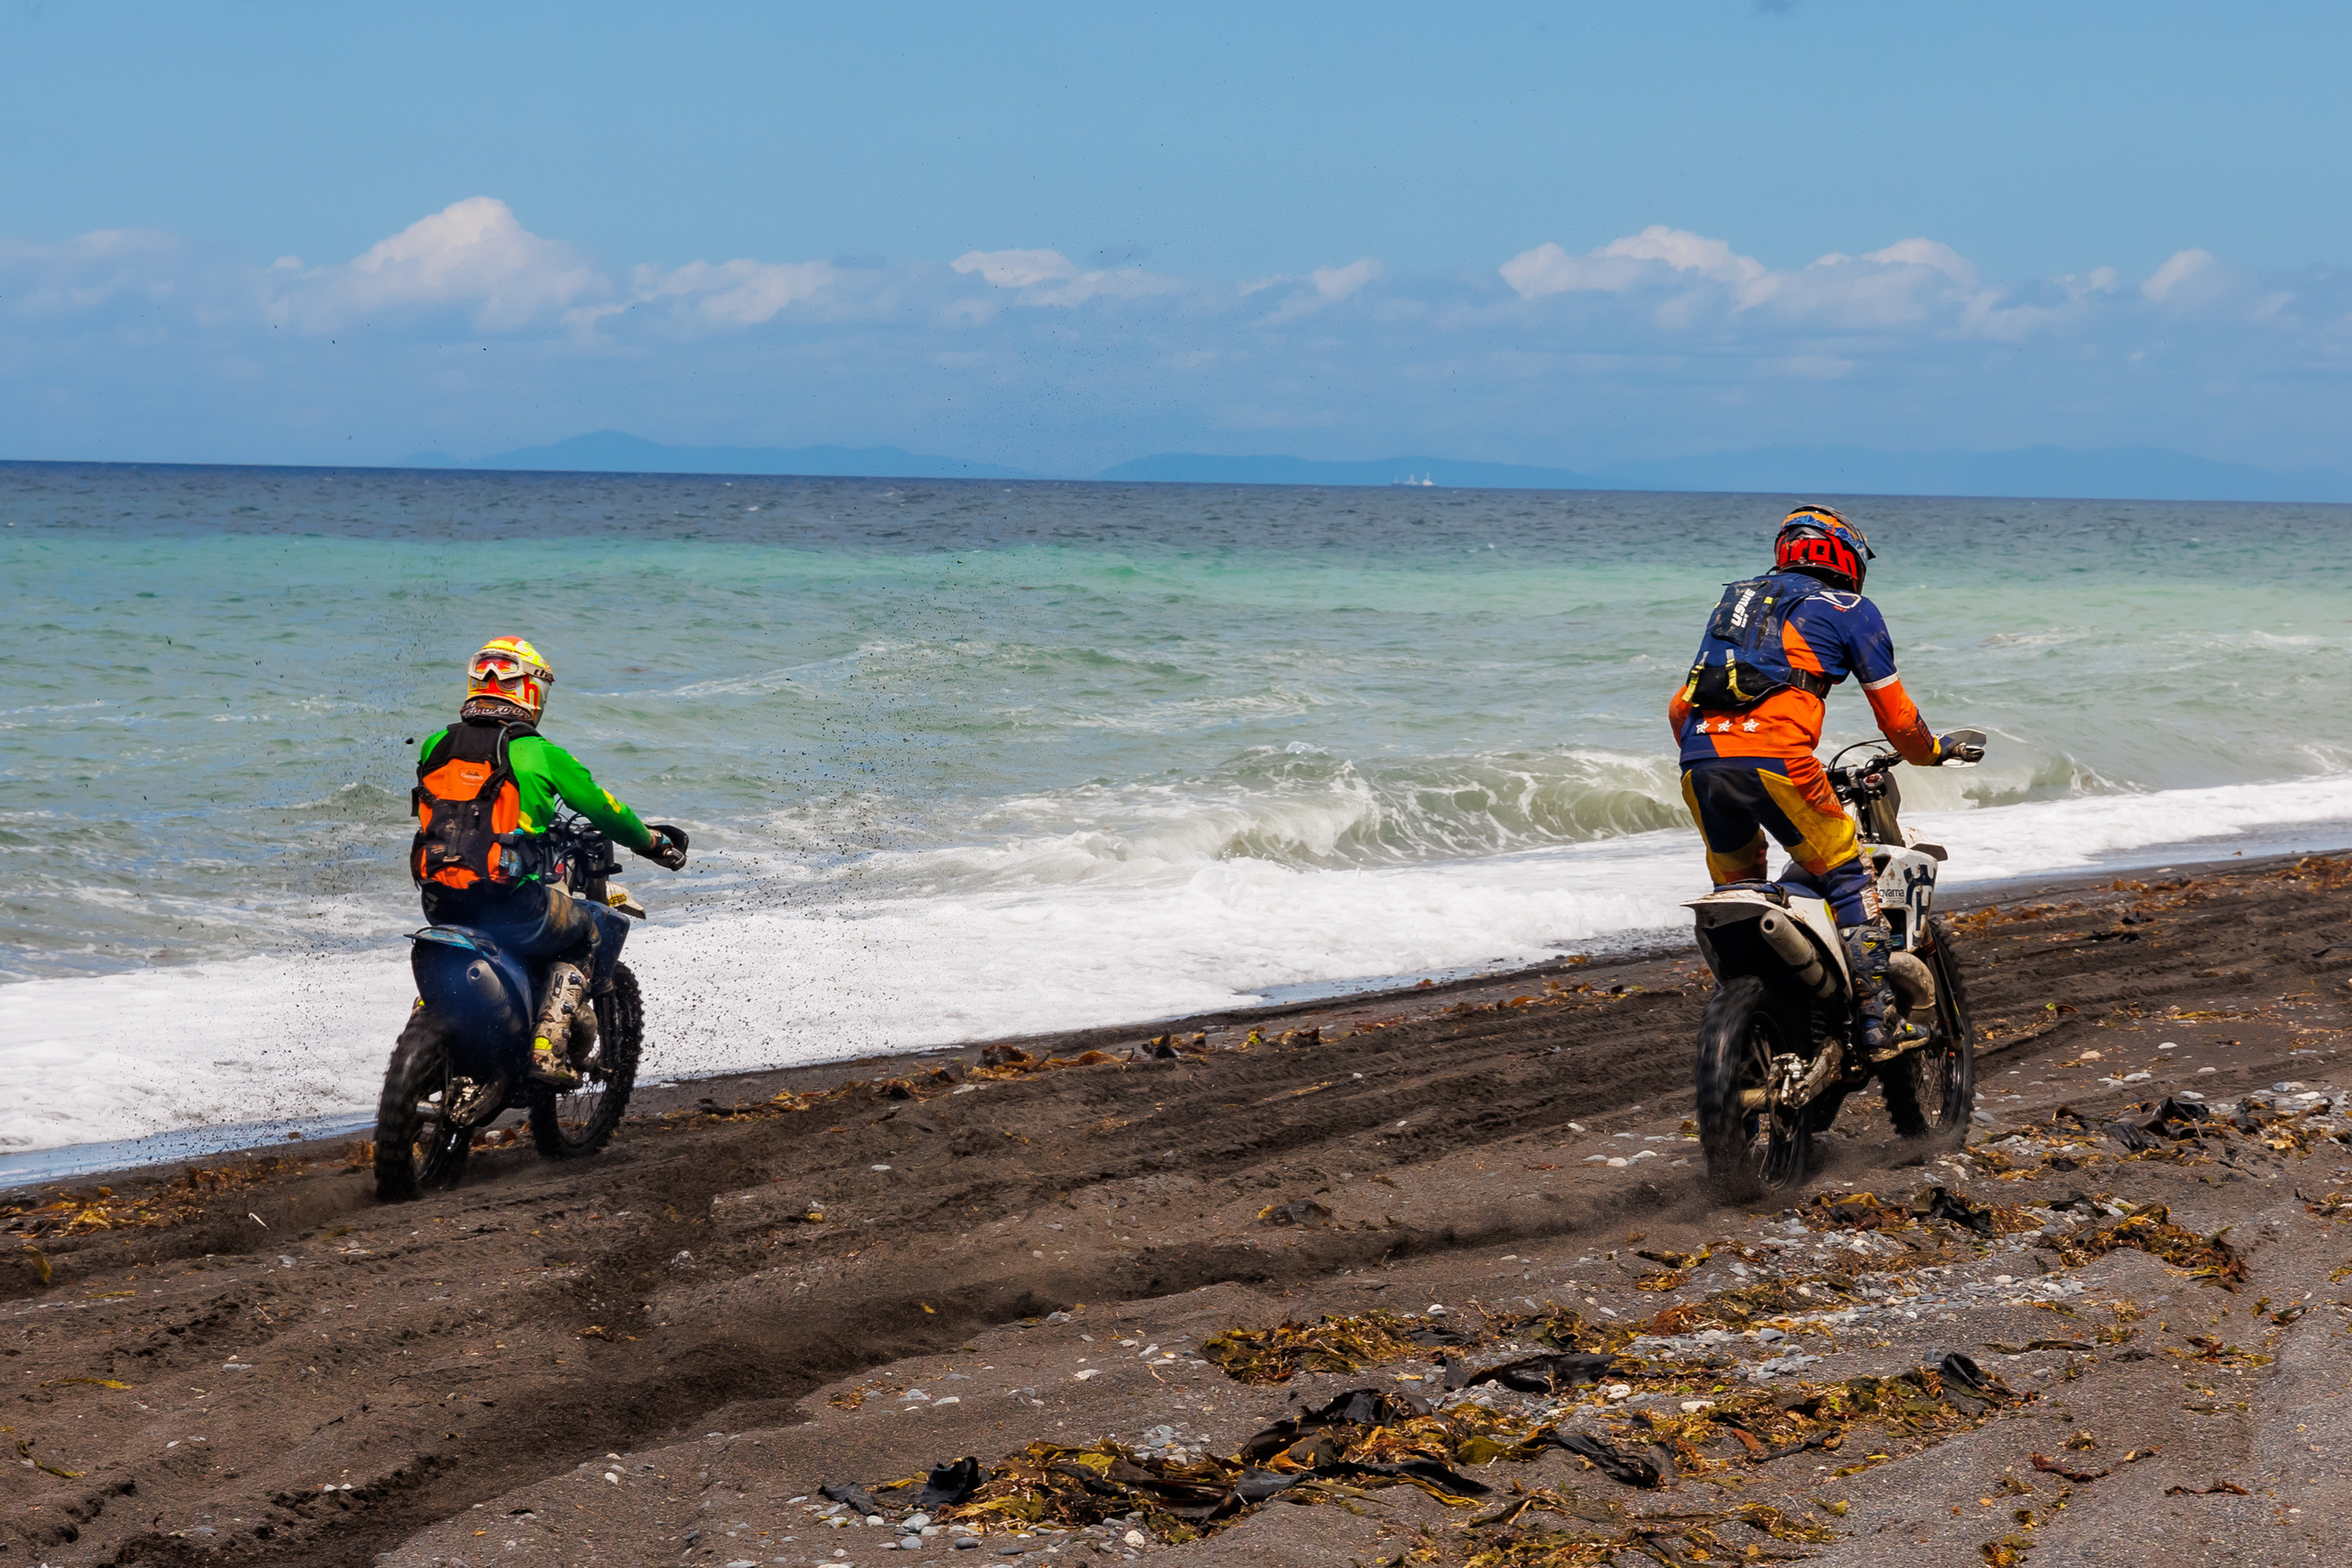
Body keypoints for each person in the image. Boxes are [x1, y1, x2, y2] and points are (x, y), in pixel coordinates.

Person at [1668, 506, 1982, 1057]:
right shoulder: (1850, 608)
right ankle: (1878, 1022)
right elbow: (1897, 719)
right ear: (1845, 557)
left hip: (1699, 762)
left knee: (1739, 890)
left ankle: (1758, 1018)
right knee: (1846, 873)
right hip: (1778, 761)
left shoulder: (1738, 604)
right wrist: (1933, 753)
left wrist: (1717, 754)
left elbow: (1682, 706)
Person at [406, 637, 687, 1089]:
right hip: (510, 905)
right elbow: (604, 809)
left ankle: (440, 1022)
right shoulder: (540, 753)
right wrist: (654, 843)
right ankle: (546, 1049)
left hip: (439, 901)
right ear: (529, 692)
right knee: (585, 929)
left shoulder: (436, 744)